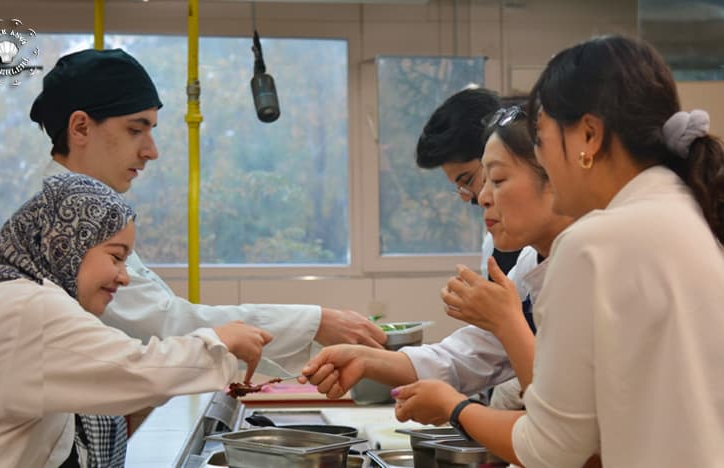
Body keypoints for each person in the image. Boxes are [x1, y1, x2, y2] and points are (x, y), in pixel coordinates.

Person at [28, 48, 385, 465]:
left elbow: (159, 321)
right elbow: (162, 326)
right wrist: (314, 321)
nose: (151, 150)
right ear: (81, 127)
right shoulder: (63, 220)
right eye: (135, 130)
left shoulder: (82, 211)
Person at [393, 35, 724, 467]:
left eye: (542, 139)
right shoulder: (683, 209)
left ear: (588, 136)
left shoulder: (593, 244)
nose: (542, 161)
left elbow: (553, 448)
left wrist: (455, 407)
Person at [0, 173, 272, 468]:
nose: (124, 277)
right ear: (65, 244)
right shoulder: (31, 306)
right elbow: (139, 371)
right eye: (116, 256)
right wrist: (220, 342)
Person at [299, 101, 562, 408]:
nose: (482, 198)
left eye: (498, 180)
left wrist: (458, 410)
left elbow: (564, 421)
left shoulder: (588, 266)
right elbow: (464, 356)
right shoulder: (530, 262)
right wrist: (364, 359)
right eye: (485, 181)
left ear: (555, 178)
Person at [416, 88, 524, 277]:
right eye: (459, 189)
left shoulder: (567, 245)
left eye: (467, 180)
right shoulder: (496, 243)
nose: (476, 198)